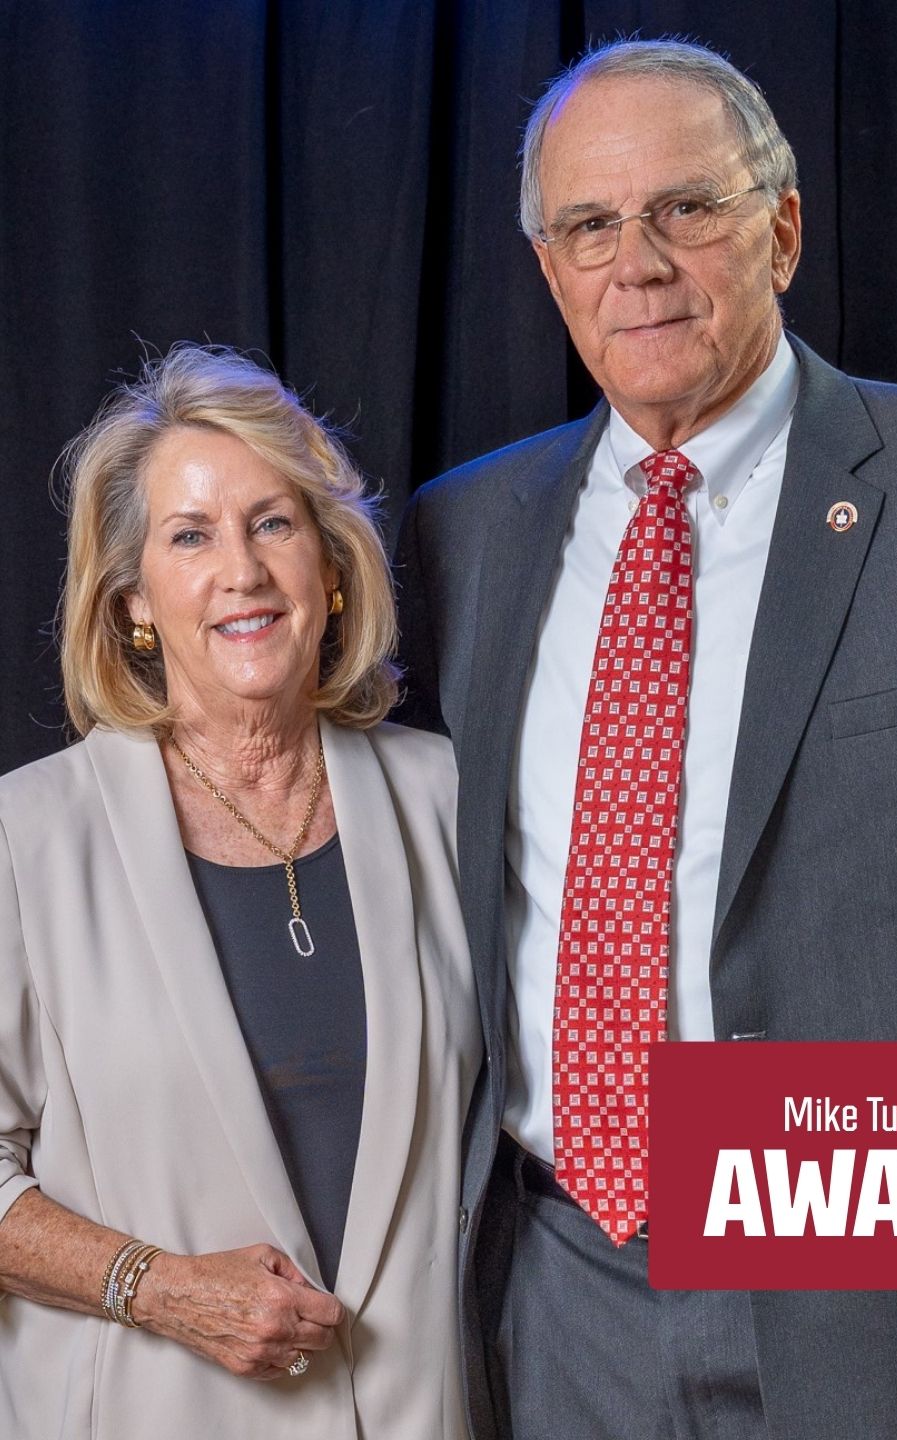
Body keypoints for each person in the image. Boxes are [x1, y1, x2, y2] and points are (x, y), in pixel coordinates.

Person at [393, 37, 897, 1440]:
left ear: (784, 229)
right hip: (557, 1282)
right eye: (591, 224)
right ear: (548, 269)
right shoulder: (463, 534)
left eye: (686, 208)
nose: (637, 263)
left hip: (883, 1266)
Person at [0, 345, 479, 1439]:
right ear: (134, 600)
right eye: (190, 536)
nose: (243, 571)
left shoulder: (450, 798)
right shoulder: (27, 838)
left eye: (273, 523)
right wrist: (155, 1286)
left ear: (332, 566)